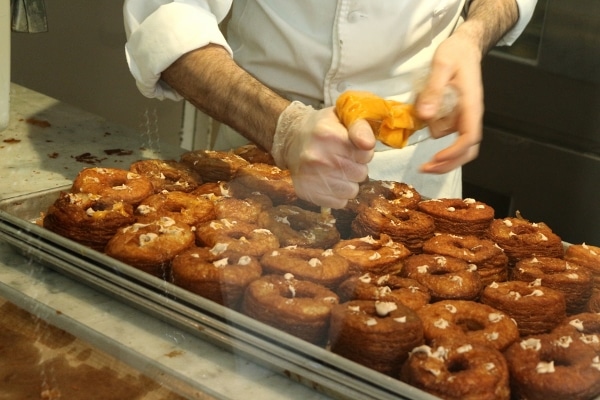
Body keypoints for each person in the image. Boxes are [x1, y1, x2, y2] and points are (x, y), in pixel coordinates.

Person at [123, 0, 537, 209]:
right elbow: (165, 15)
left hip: (416, 162)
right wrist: (282, 128)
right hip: (256, 142)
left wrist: (474, 34)